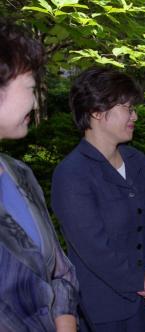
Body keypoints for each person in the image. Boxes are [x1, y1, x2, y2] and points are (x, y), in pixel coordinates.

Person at [51, 67, 145, 331]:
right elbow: (95, 249)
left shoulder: (137, 160)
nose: (134, 116)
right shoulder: (72, 173)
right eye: (127, 108)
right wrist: (142, 283)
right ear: (97, 111)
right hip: (103, 311)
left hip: (144, 304)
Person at [0, 21, 78, 331]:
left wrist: (65, 322)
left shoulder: (19, 174)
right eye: (32, 88)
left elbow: (60, 271)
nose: (35, 103)